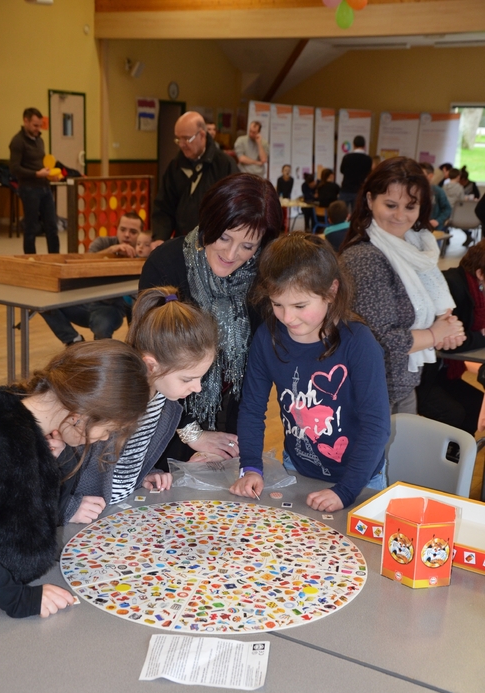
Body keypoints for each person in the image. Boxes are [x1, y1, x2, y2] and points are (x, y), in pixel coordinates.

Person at [0, 340, 150, 618]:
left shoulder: (44, 435)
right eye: (109, 429)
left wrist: (55, 461)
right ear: (79, 415)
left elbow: (40, 510)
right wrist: (18, 598)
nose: (105, 438)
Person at [230, 233, 391, 512]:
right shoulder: (267, 337)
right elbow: (252, 409)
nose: (288, 317)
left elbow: (376, 426)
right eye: (277, 304)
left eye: (300, 306)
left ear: (331, 292)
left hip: (360, 479)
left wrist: (345, 491)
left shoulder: (359, 343)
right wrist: (251, 467)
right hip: (298, 469)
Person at [139, 173, 282, 461]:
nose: (231, 254)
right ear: (209, 222)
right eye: (224, 237)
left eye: (248, 246)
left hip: (233, 417)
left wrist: (242, 441)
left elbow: (256, 370)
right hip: (167, 420)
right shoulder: (166, 265)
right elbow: (153, 368)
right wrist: (192, 434)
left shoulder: (265, 277)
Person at [59, 287, 218, 523]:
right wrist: (66, 507)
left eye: (200, 378)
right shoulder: (108, 399)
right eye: (188, 379)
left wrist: (142, 476)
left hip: (117, 512)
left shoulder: (164, 403)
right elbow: (51, 465)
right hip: (80, 515)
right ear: (151, 365)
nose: (198, 388)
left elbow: (128, 456)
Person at [340, 157, 465, 414]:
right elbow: (379, 340)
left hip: (400, 387)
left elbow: (428, 307)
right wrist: (435, 334)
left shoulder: (415, 246)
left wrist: (446, 328)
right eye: (390, 204)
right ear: (369, 200)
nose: (400, 216)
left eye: (410, 206)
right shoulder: (366, 258)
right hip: (370, 395)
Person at [40, 211, 144, 345]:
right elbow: (86, 264)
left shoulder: (143, 253)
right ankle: (73, 341)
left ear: (140, 234)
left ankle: (100, 353)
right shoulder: (103, 242)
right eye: (123, 229)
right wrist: (111, 251)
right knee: (44, 304)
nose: (127, 235)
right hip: (83, 302)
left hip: (110, 308)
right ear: (117, 229)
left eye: (133, 232)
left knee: (102, 327)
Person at [417, 241, 485, 435]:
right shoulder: (452, 286)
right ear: (480, 274)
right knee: (455, 414)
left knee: (476, 405)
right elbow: (450, 342)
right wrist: (481, 337)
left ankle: (459, 462)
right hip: (423, 377)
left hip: (442, 371)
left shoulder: (474, 290)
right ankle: (445, 462)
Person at [151, 112, 236, 250]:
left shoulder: (224, 165)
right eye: (178, 139)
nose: (182, 145)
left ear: (202, 135)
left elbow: (234, 209)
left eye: (186, 139)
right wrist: (160, 237)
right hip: (183, 243)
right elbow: (164, 207)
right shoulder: (175, 166)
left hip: (214, 247)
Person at [9, 107, 60, 255]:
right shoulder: (17, 141)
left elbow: (42, 164)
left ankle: (55, 258)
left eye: (40, 125)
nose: (38, 129)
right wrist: (36, 174)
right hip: (29, 189)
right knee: (31, 228)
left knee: (52, 226)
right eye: (35, 125)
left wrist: (50, 175)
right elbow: (14, 168)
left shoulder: (40, 140)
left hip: (45, 188)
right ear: (26, 121)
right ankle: (30, 261)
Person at [339, 135, 372, 210]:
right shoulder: (368, 159)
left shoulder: (347, 157)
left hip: (346, 189)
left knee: (341, 214)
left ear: (353, 145)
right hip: (359, 191)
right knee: (356, 216)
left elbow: (342, 170)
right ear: (364, 146)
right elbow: (368, 173)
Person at [419, 162, 451, 232]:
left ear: (430, 176)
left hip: (433, 229)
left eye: (421, 175)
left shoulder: (438, 191)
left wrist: (438, 220)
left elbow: (447, 209)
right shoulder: (414, 191)